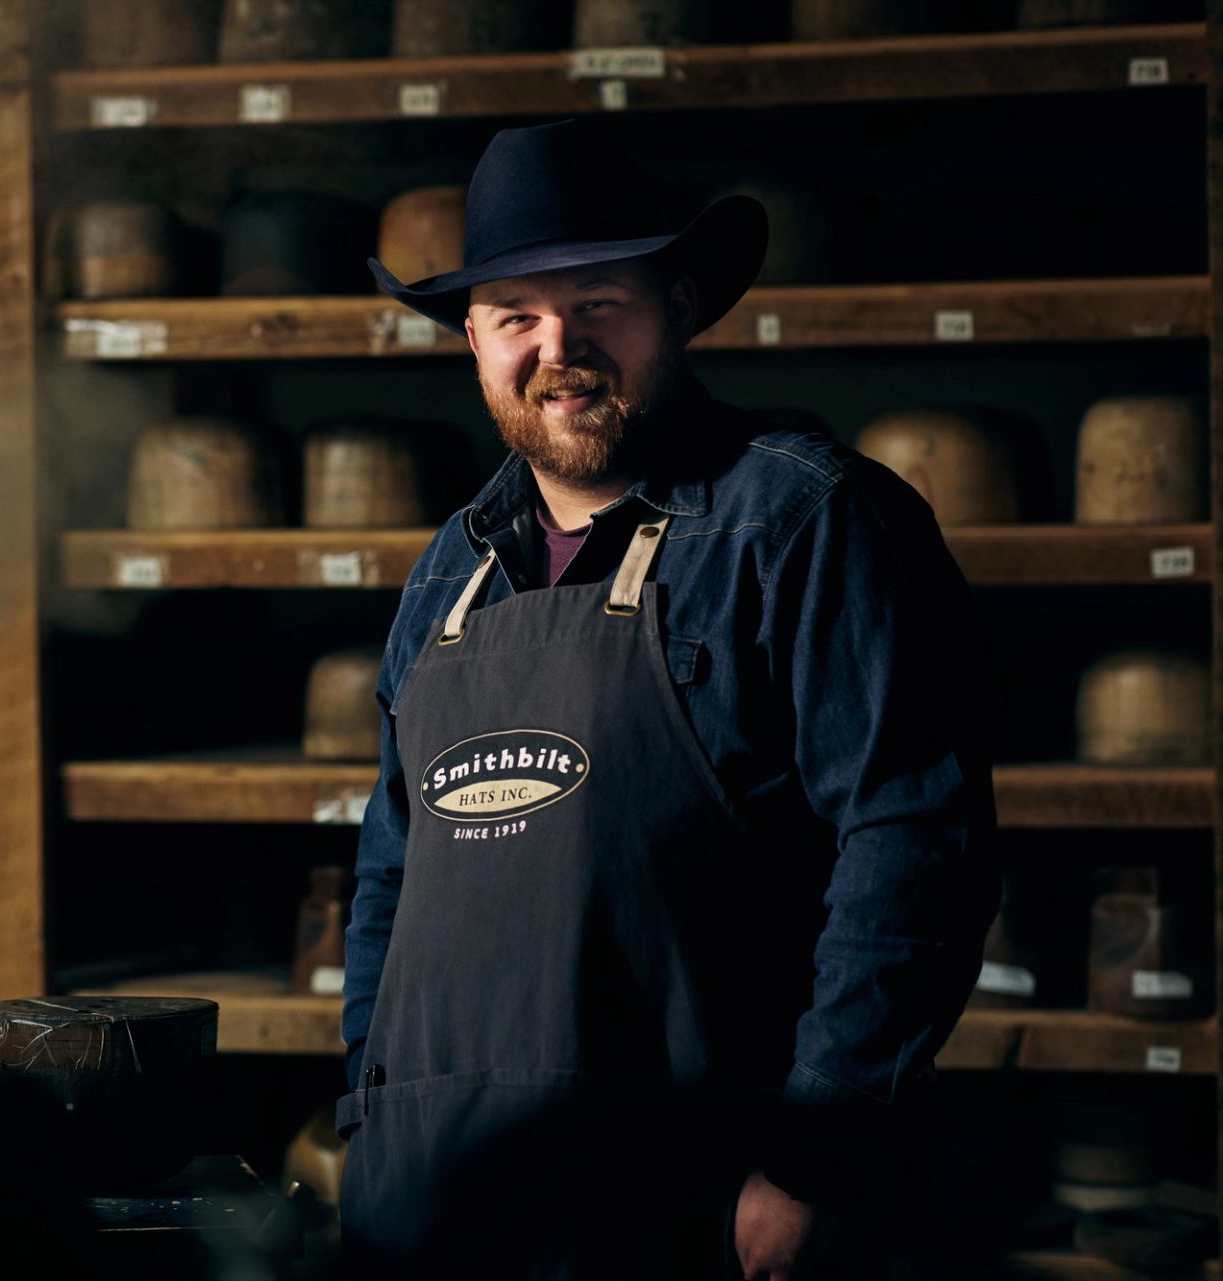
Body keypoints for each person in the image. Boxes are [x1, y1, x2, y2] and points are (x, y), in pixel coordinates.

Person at [337, 119, 1000, 1279]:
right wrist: (367, 1109)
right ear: (474, 342)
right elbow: (395, 874)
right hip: (434, 1202)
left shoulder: (804, 522)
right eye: (517, 318)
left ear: (680, 305)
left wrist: (814, 1160)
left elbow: (914, 840)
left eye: (600, 301)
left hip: (692, 1201)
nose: (560, 346)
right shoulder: (449, 567)